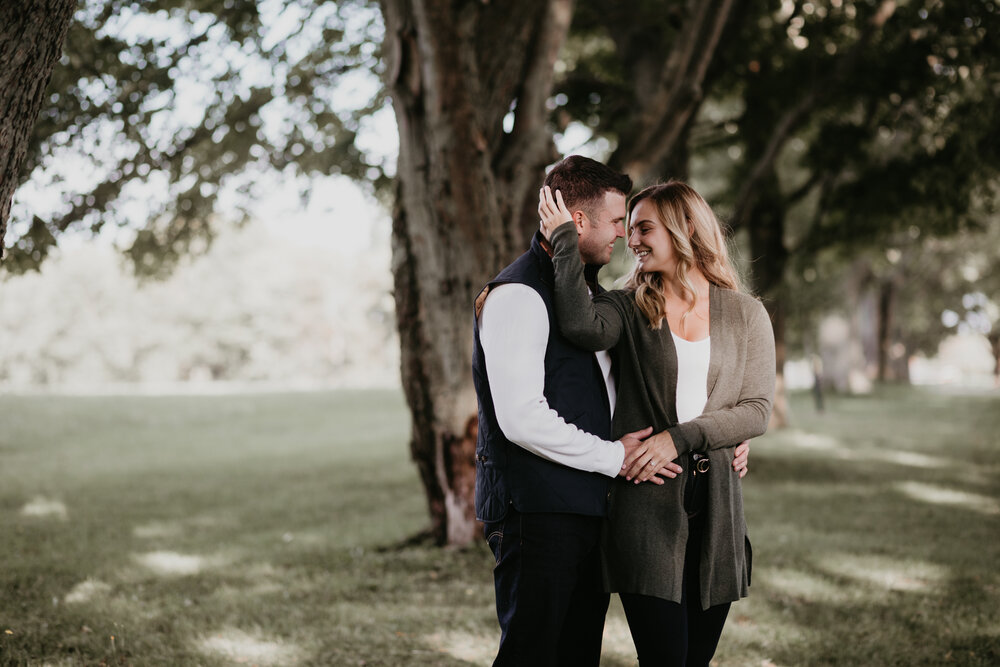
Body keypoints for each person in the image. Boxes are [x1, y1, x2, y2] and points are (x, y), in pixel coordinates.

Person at [473, 156, 750, 667]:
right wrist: (613, 457)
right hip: (536, 515)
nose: (624, 237)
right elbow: (521, 419)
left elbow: (656, 385)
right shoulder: (518, 296)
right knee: (532, 655)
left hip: (591, 510)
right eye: (620, 222)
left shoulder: (598, 297)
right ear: (577, 222)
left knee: (576, 655)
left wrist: (723, 433)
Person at [538, 180, 774, 666]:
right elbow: (578, 324)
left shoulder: (747, 314)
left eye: (645, 228)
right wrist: (564, 239)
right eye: (629, 228)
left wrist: (679, 439)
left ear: (685, 229)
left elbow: (756, 410)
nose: (633, 240)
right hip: (645, 514)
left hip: (719, 516)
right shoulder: (627, 306)